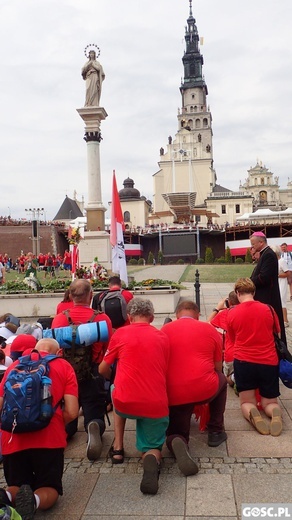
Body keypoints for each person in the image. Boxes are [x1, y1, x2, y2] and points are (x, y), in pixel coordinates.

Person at [0, 338, 79, 519]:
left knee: (16, 485)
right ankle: (33, 501)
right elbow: (73, 412)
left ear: (33, 350)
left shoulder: (15, 367)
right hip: (48, 438)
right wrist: (54, 422)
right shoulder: (64, 366)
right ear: (58, 352)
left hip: (12, 436)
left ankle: (6, 496)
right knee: (49, 487)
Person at [99, 298, 169, 495]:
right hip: (154, 403)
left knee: (116, 389)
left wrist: (112, 374)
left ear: (128, 317)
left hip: (125, 402)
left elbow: (103, 368)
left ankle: (118, 447)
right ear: (152, 318)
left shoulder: (120, 334)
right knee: (153, 446)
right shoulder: (162, 337)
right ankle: (151, 456)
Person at [161, 301, 227, 477]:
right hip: (203, 388)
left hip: (172, 392)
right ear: (198, 316)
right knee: (221, 380)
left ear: (176, 316)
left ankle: (177, 439)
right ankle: (215, 431)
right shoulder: (209, 330)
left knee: (176, 431)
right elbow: (218, 367)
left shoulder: (165, 331)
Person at [51, 279, 113, 460]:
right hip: (93, 372)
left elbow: (55, 349)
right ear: (91, 296)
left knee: (68, 412)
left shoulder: (60, 318)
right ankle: (93, 425)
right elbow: (108, 349)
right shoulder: (102, 318)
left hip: (66, 373)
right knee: (94, 408)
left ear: (70, 296)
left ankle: (67, 431)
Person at [227, 278, 282, 437]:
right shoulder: (269, 309)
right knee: (269, 401)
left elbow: (232, 338)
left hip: (244, 361)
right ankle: (274, 412)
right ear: (254, 292)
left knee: (247, 401)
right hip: (268, 360)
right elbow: (276, 331)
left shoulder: (232, 313)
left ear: (238, 294)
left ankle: (253, 413)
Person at [250, 231, 286, 343]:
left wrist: (249, 282)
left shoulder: (269, 254)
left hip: (268, 296)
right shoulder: (265, 253)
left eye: (253, 244)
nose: (252, 247)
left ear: (261, 242)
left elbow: (264, 277)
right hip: (265, 294)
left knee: (271, 325)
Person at [208, 291, 240, 387]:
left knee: (224, 378)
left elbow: (207, 326)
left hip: (231, 355)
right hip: (248, 354)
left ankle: (234, 378)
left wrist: (217, 309)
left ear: (229, 302)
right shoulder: (249, 312)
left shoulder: (225, 313)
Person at [272, 245, 289, 327]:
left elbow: (287, 273)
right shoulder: (273, 261)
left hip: (282, 283)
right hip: (276, 283)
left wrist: (277, 275)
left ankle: (285, 320)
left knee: (282, 301)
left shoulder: (282, 261)